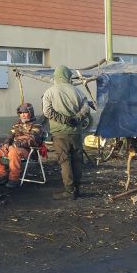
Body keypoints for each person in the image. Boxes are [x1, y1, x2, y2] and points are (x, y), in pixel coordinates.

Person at [42, 65, 92, 200]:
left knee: (65, 161)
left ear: (56, 76)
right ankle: (78, 189)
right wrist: (76, 119)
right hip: (76, 132)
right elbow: (86, 109)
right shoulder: (78, 91)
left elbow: (47, 112)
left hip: (59, 133)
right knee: (77, 160)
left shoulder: (50, 92)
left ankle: (69, 191)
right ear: (68, 76)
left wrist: (63, 119)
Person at [0, 102, 44, 188]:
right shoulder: (16, 125)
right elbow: (10, 136)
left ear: (30, 113)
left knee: (13, 151)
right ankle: (2, 175)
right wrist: (6, 143)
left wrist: (18, 143)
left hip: (28, 151)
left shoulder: (36, 125)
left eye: (25, 112)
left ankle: (14, 178)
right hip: (12, 148)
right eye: (20, 113)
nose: (23, 115)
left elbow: (33, 140)